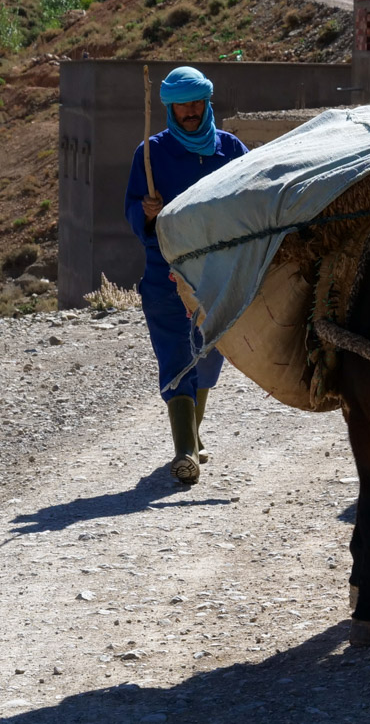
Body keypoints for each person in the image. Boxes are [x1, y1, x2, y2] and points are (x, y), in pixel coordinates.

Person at [124, 66, 249, 484]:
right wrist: (147, 214)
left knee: (210, 356)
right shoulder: (151, 155)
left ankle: (193, 436)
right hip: (167, 277)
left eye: (197, 103)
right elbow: (131, 212)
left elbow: (251, 201)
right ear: (170, 108)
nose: (191, 112)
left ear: (207, 103)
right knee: (177, 356)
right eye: (183, 105)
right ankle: (185, 453)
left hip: (218, 277)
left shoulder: (230, 151)